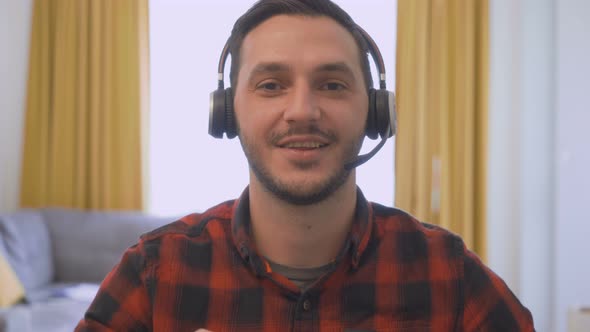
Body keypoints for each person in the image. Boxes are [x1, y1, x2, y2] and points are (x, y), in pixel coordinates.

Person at [76, 0, 535, 331]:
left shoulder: (448, 275)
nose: (302, 110)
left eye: (333, 85)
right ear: (227, 112)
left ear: (376, 113)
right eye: (271, 84)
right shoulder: (155, 272)